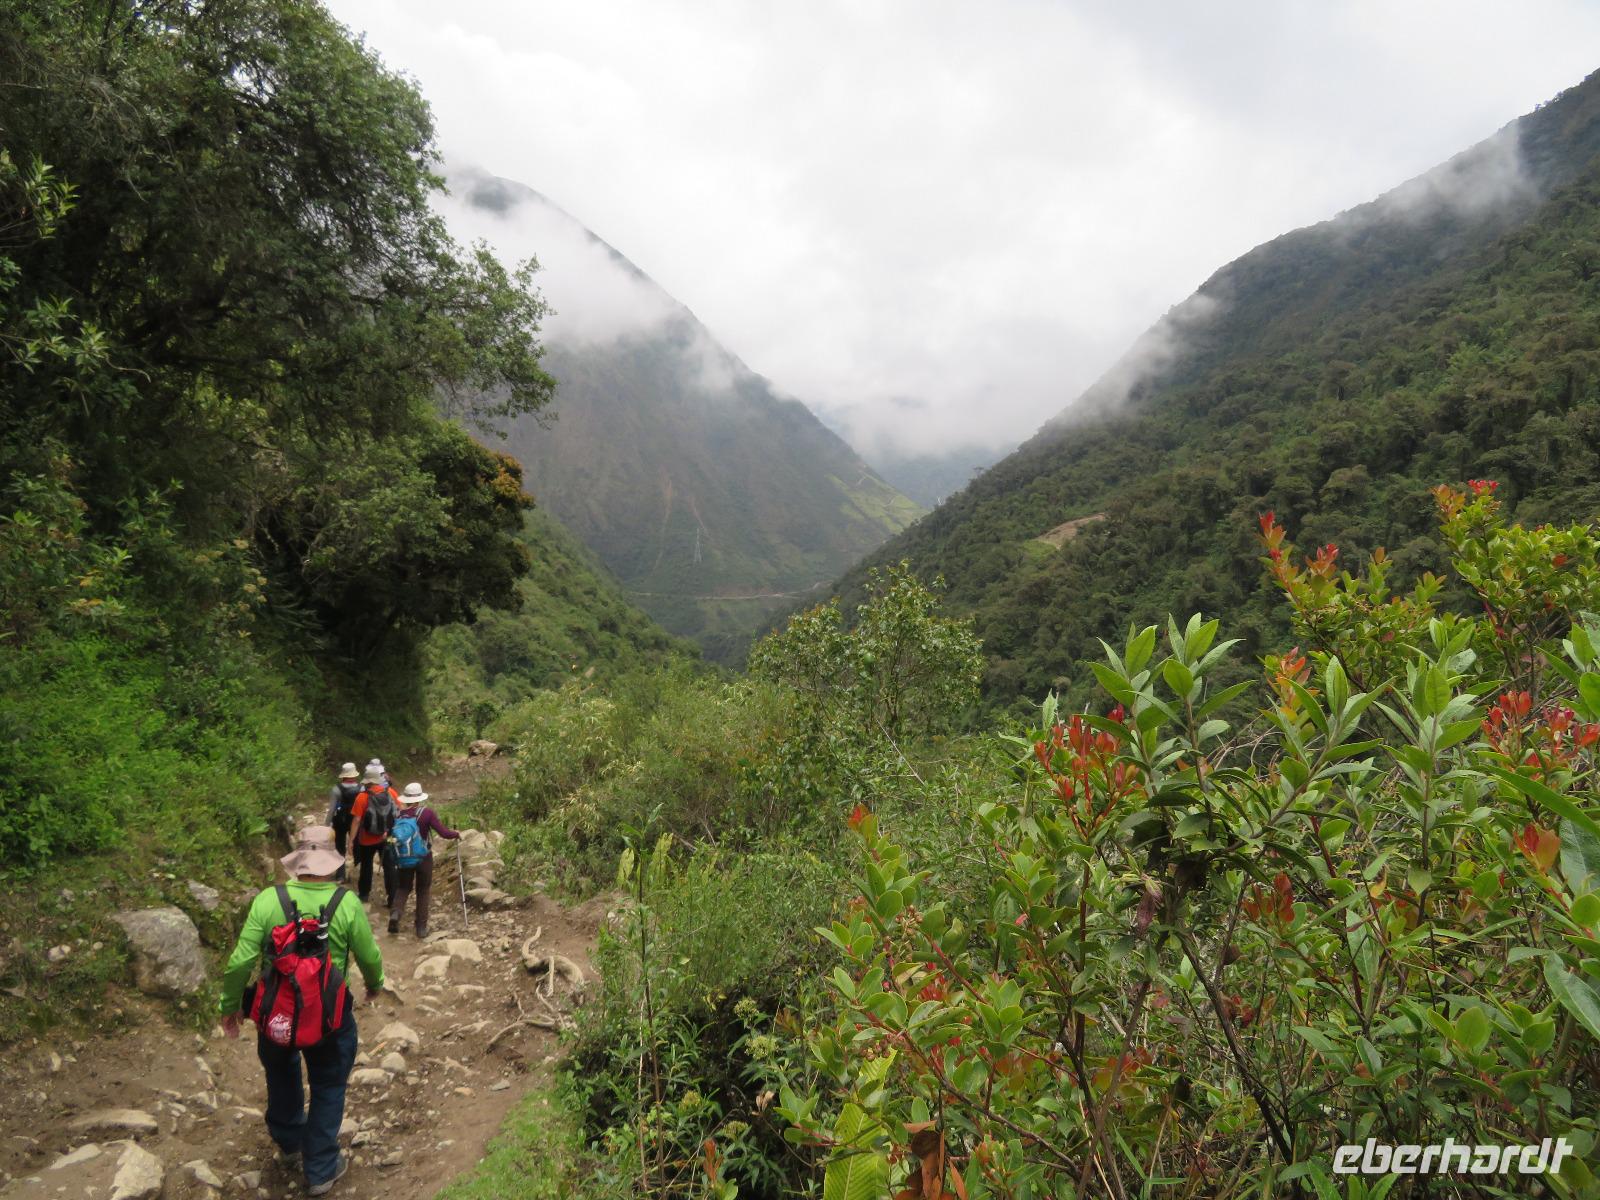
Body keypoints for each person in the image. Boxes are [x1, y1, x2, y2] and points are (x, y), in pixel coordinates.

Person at [219, 825, 385, 1196]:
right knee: (328, 1084)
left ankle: (290, 1141)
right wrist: (375, 985)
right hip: (330, 1017)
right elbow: (370, 956)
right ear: (329, 863)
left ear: (299, 863)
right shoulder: (346, 903)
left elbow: (239, 962)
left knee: (280, 1074)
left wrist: (230, 1007)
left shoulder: (267, 900)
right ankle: (322, 1168)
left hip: (277, 1013)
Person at [387, 782, 462, 939]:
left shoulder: (398, 814)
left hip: (404, 857)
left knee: (403, 888)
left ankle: (395, 914)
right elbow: (443, 833)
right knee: (423, 890)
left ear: (406, 799)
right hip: (423, 857)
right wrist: (456, 834)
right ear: (419, 798)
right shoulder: (426, 813)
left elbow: (391, 837)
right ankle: (421, 928)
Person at [348, 765, 398, 906]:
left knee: (366, 866)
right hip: (388, 836)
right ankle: (393, 898)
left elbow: (356, 820)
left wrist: (351, 841)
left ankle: (364, 895)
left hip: (367, 839)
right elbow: (398, 812)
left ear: (367, 782)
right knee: (389, 866)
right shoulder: (391, 793)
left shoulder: (362, 797)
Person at [325, 764, 362, 873]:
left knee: (340, 847)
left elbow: (331, 809)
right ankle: (357, 869)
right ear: (354, 775)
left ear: (343, 776)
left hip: (340, 821)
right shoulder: (361, 788)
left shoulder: (336, 789)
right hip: (356, 820)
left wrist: (327, 825)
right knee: (356, 844)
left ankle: (340, 875)